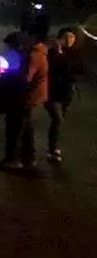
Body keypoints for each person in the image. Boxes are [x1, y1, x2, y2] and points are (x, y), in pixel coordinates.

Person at [2, 32, 49, 170]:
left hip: (27, 97)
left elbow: (25, 78)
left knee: (15, 129)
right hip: (33, 96)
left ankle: (13, 160)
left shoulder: (33, 57)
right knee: (27, 129)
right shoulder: (39, 53)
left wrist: (6, 75)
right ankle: (29, 158)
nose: (8, 49)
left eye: (10, 46)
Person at [45, 28, 81, 163]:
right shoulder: (52, 52)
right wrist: (59, 53)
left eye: (72, 38)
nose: (69, 40)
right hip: (53, 92)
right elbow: (55, 67)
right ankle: (52, 149)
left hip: (66, 93)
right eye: (67, 37)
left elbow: (77, 68)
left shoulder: (75, 53)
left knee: (58, 122)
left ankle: (53, 147)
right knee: (57, 119)